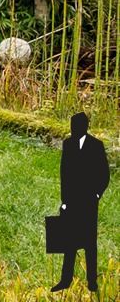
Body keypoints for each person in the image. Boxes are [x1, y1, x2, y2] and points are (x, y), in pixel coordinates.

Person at [55, 111, 108, 292]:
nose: (73, 129)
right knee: (70, 242)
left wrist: (96, 195)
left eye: (76, 126)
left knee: (89, 243)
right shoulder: (68, 144)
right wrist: (64, 201)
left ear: (84, 127)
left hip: (88, 202)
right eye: (72, 126)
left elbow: (104, 174)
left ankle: (92, 282)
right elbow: (65, 174)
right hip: (72, 201)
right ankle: (65, 280)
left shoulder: (96, 145)